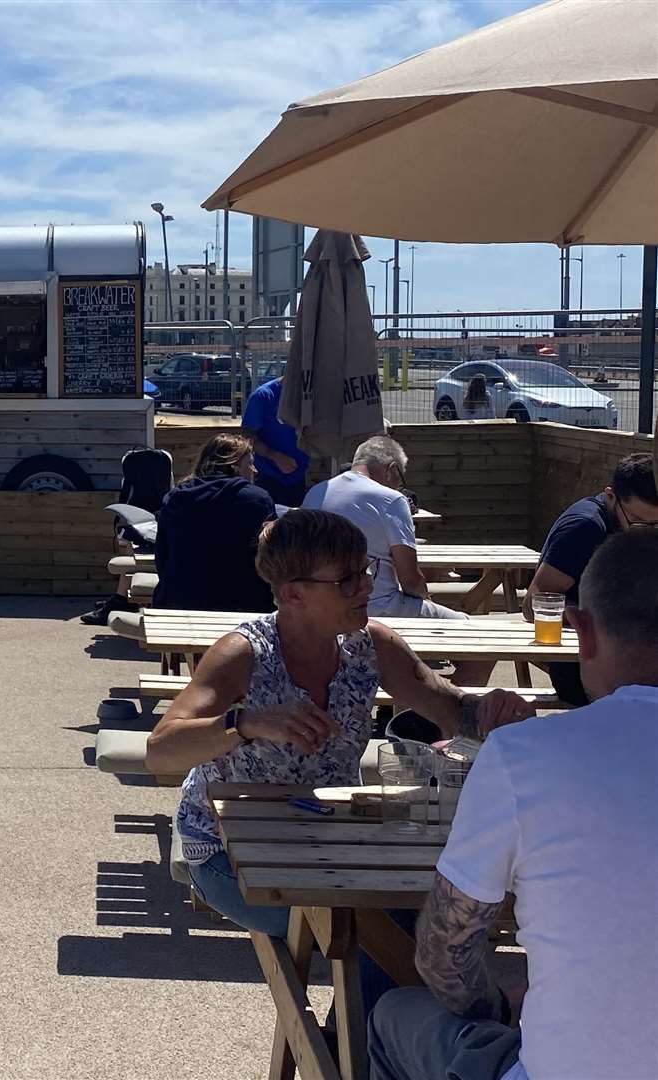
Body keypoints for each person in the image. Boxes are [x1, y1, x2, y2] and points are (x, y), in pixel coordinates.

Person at [146, 510, 532, 1011]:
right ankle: (372, 1049)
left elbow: (450, 709)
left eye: (365, 570)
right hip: (227, 852)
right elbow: (162, 748)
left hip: (323, 834)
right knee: (373, 921)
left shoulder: (371, 645)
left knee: (430, 903)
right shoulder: (243, 653)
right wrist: (246, 723)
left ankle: (362, 1042)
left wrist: (492, 711)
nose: (365, 586)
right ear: (293, 594)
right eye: (347, 577)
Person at [368, 529, 658, 1080]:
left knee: (392, 1015)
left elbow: (443, 957)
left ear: (581, 632)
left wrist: (501, 1010)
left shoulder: (526, 756)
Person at [303, 435, 493, 686]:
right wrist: (427, 598)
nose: (399, 486)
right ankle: (445, 716)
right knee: (480, 642)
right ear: (391, 470)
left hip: (319, 610)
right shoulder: (390, 500)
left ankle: (415, 701)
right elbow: (410, 580)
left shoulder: (316, 494)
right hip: (379, 608)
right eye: (400, 479)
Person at [522, 452, 657, 706]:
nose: (649, 534)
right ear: (610, 496)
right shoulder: (584, 528)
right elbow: (534, 604)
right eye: (639, 523)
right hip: (582, 663)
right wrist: (604, 618)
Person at [150, 432, 275, 613]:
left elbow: (162, 556)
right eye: (250, 463)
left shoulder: (176, 497)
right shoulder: (258, 500)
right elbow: (271, 559)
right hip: (244, 605)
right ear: (234, 467)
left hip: (177, 602)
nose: (255, 470)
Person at [241, 375, 311, 508]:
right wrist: (274, 456)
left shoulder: (307, 395)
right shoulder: (263, 396)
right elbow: (247, 436)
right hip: (267, 476)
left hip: (297, 476)